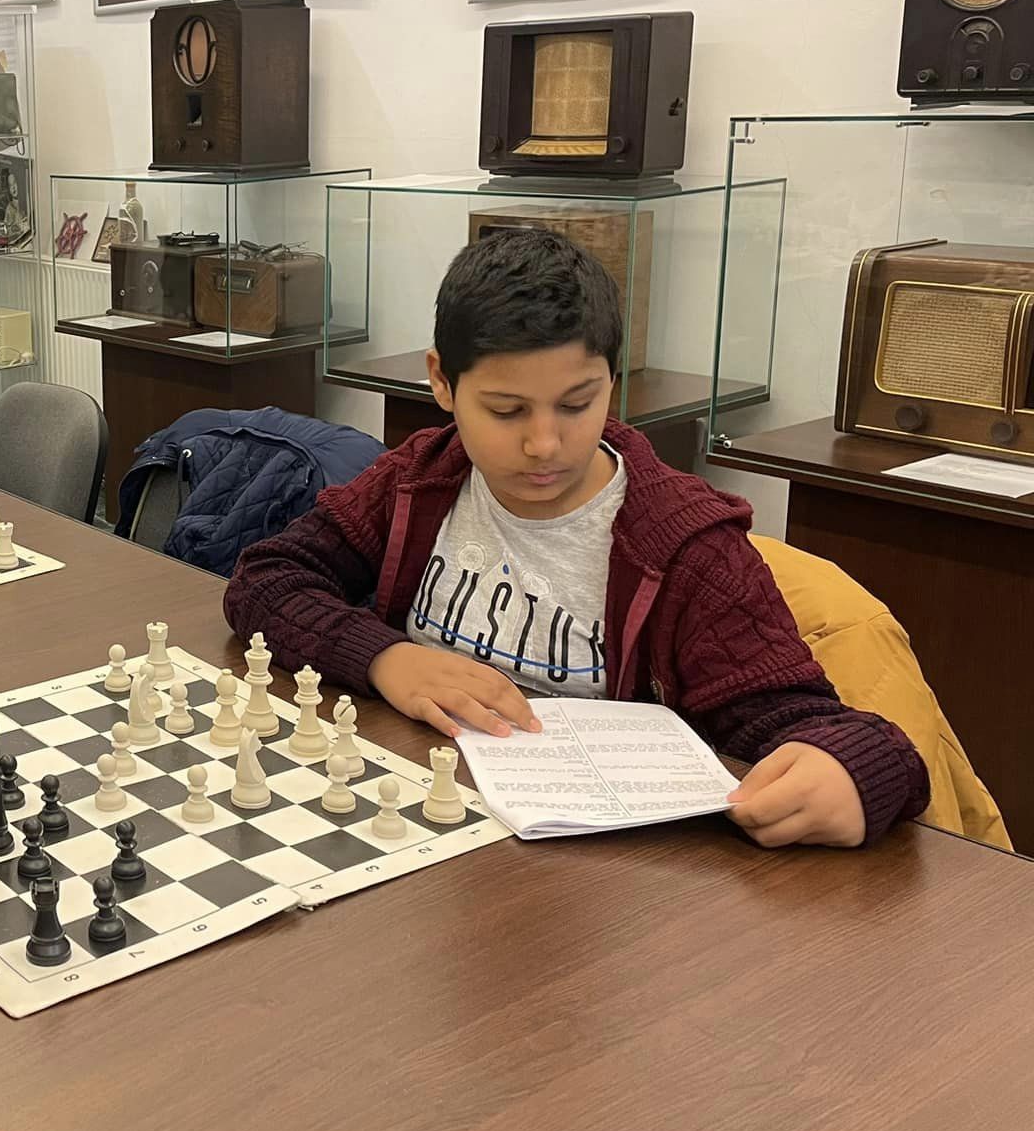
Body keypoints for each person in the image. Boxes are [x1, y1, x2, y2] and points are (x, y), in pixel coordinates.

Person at [224, 228, 930, 848]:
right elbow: (267, 578)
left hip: (609, 878)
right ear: (441, 381)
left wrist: (852, 774)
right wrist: (386, 659)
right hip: (430, 818)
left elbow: (830, 731)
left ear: (612, 381)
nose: (544, 443)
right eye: (506, 410)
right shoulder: (423, 479)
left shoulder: (688, 546)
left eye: (576, 404)